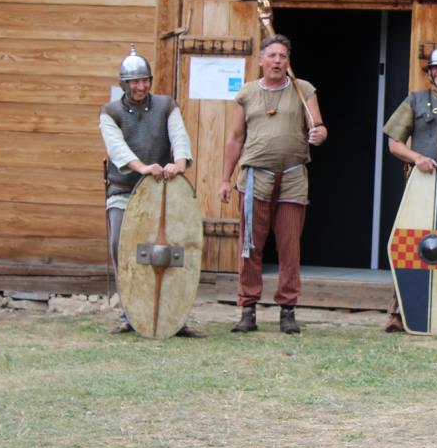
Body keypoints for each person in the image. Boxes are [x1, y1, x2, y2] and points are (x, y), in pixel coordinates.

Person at [219, 35, 327, 335]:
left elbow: (318, 126)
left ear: (288, 61)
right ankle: (248, 309)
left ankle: (288, 311)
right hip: (255, 179)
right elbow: (235, 138)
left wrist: (319, 134)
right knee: (250, 247)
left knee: (289, 247)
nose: (278, 61)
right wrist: (225, 178)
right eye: (272, 55)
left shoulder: (303, 89)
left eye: (283, 56)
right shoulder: (247, 93)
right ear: (261, 60)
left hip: (292, 177)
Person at [99, 47, 203, 337]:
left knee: (173, 249)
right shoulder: (110, 112)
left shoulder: (166, 105)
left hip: (161, 193)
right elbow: (117, 148)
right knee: (122, 247)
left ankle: (175, 318)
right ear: (124, 83)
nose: (141, 86)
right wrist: (142, 167)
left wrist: (178, 163)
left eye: (144, 80)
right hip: (124, 190)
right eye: (135, 81)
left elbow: (178, 135)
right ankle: (129, 316)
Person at [380, 47, 437, 332]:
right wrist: (417, 158)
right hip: (421, 186)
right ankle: (398, 313)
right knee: (410, 247)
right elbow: (394, 143)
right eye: (436, 68)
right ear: (429, 72)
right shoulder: (415, 100)